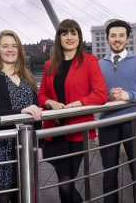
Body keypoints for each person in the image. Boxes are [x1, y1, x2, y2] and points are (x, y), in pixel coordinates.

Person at [38, 19, 107, 203]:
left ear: (79, 37)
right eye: (64, 33)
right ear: (58, 38)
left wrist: (78, 103)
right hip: (54, 133)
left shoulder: (90, 61)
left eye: (73, 33)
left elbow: (100, 94)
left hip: (76, 133)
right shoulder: (50, 65)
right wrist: (50, 102)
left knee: (66, 184)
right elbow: (41, 95)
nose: (69, 37)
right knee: (64, 182)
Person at [98, 19, 136, 203]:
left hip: (134, 124)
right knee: (109, 174)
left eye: (121, 35)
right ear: (107, 39)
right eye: (113, 35)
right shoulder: (98, 65)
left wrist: (127, 95)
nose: (117, 39)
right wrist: (106, 97)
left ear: (128, 38)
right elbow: (93, 96)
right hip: (106, 124)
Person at [0, 30, 42, 203]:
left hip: (26, 147)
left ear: (19, 50)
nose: (10, 50)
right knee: (2, 199)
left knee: (25, 197)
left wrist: (39, 146)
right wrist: (21, 112)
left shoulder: (27, 77)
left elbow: (36, 114)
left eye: (14, 46)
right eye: (5, 46)